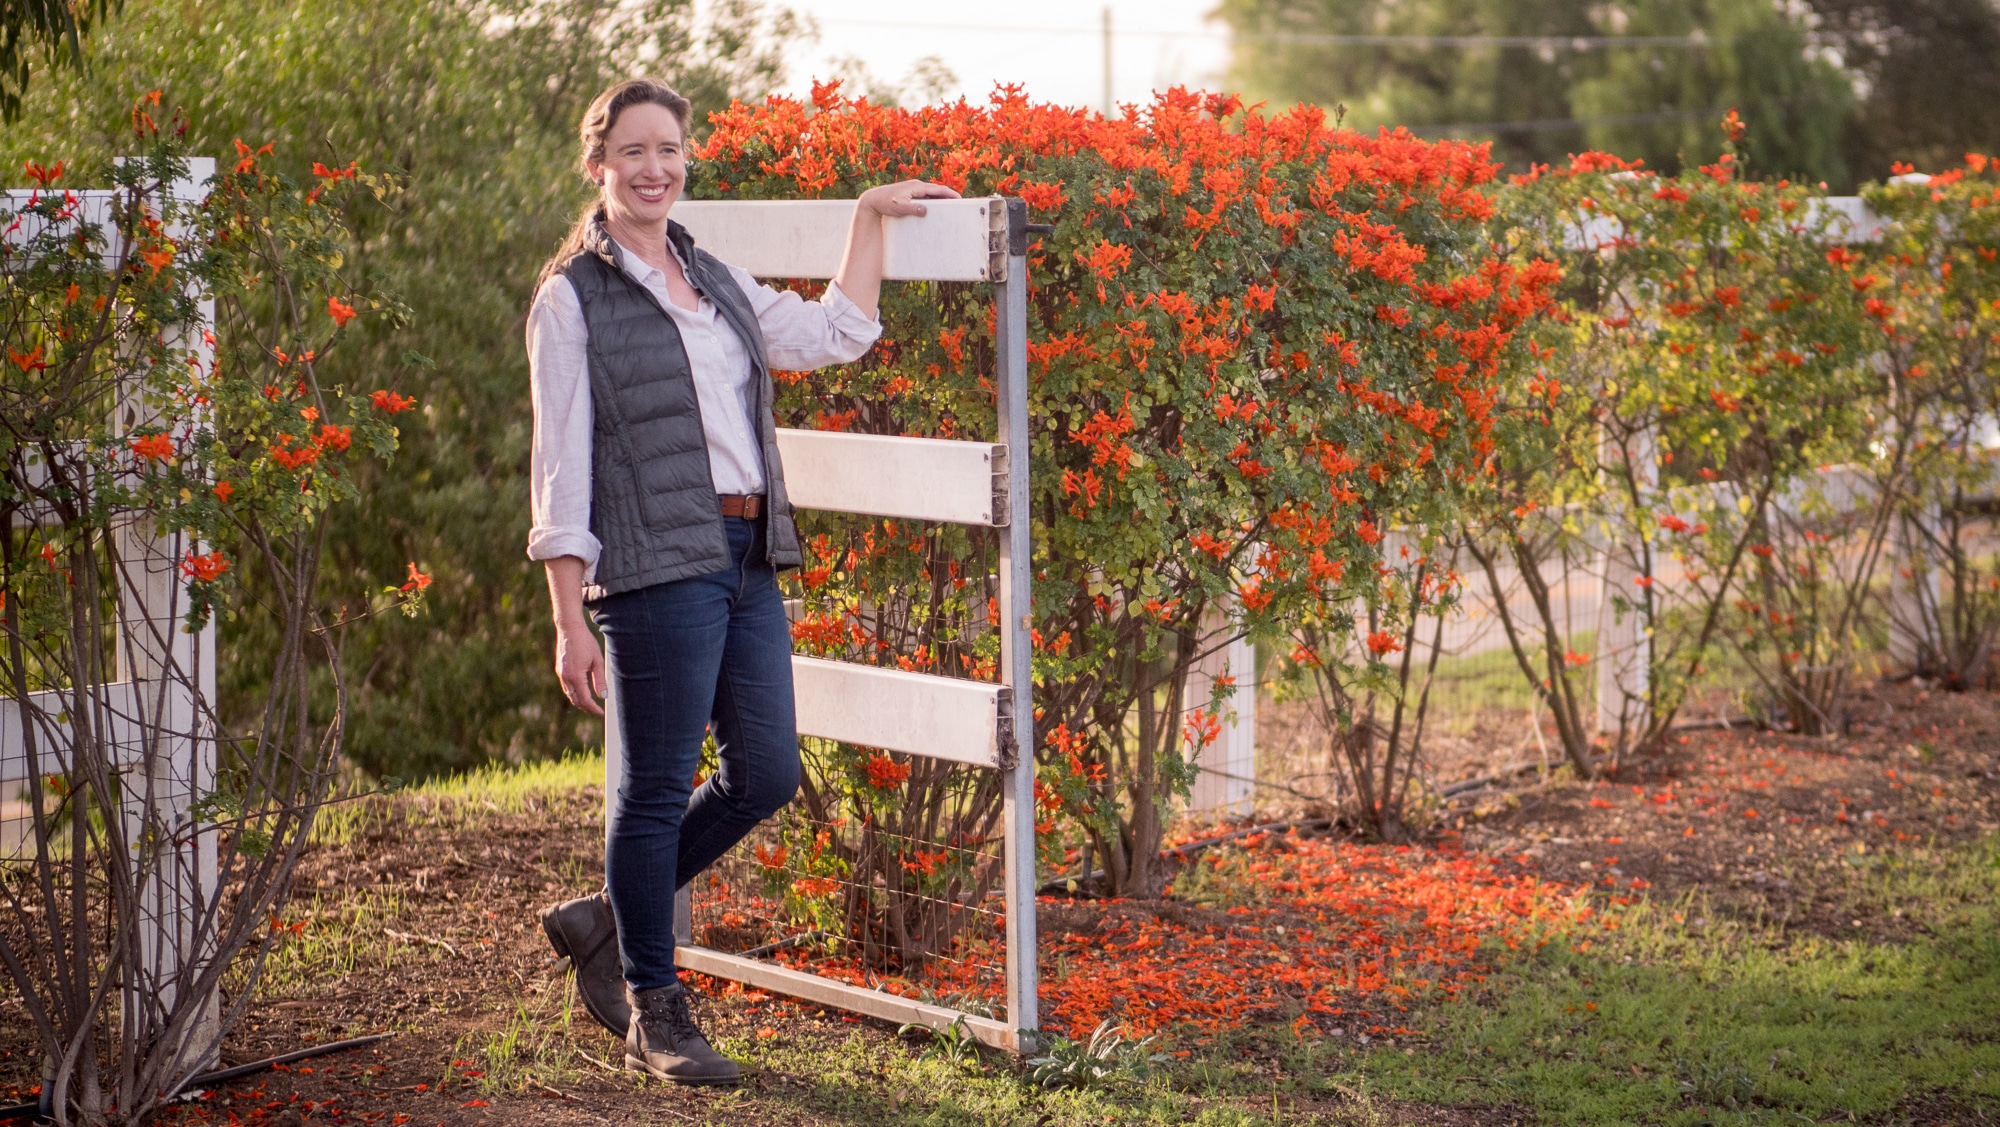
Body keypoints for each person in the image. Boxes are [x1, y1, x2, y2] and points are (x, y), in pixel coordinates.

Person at [525, 77, 956, 1086]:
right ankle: (653, 1007)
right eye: (633, 151)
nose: (654, 169)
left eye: (668, 150)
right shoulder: (570, 298)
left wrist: (865, 218)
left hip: (747, 551)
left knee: (766, 773)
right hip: (653, 564)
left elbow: (831, 333)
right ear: (598, 165)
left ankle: (605, 914)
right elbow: (561, 466)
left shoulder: (711, 275)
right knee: (653, 791)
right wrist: (567, 616)